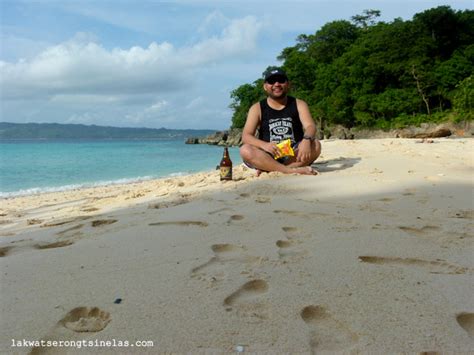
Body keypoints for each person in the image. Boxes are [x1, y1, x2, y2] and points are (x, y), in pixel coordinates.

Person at [240, 68, 321, 175]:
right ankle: (288, 170)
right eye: (271, 81)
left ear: (288, 84)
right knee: (245, 150)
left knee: (315, 144)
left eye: (281, 80)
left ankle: (270, 168)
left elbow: (310, 126)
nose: (277, 84)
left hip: (294, 154)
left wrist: (306, 140)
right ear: (265, 86)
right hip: (268, 154)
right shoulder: (257, 108)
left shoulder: (299, 104)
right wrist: (264, 145)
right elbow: (246, 136)